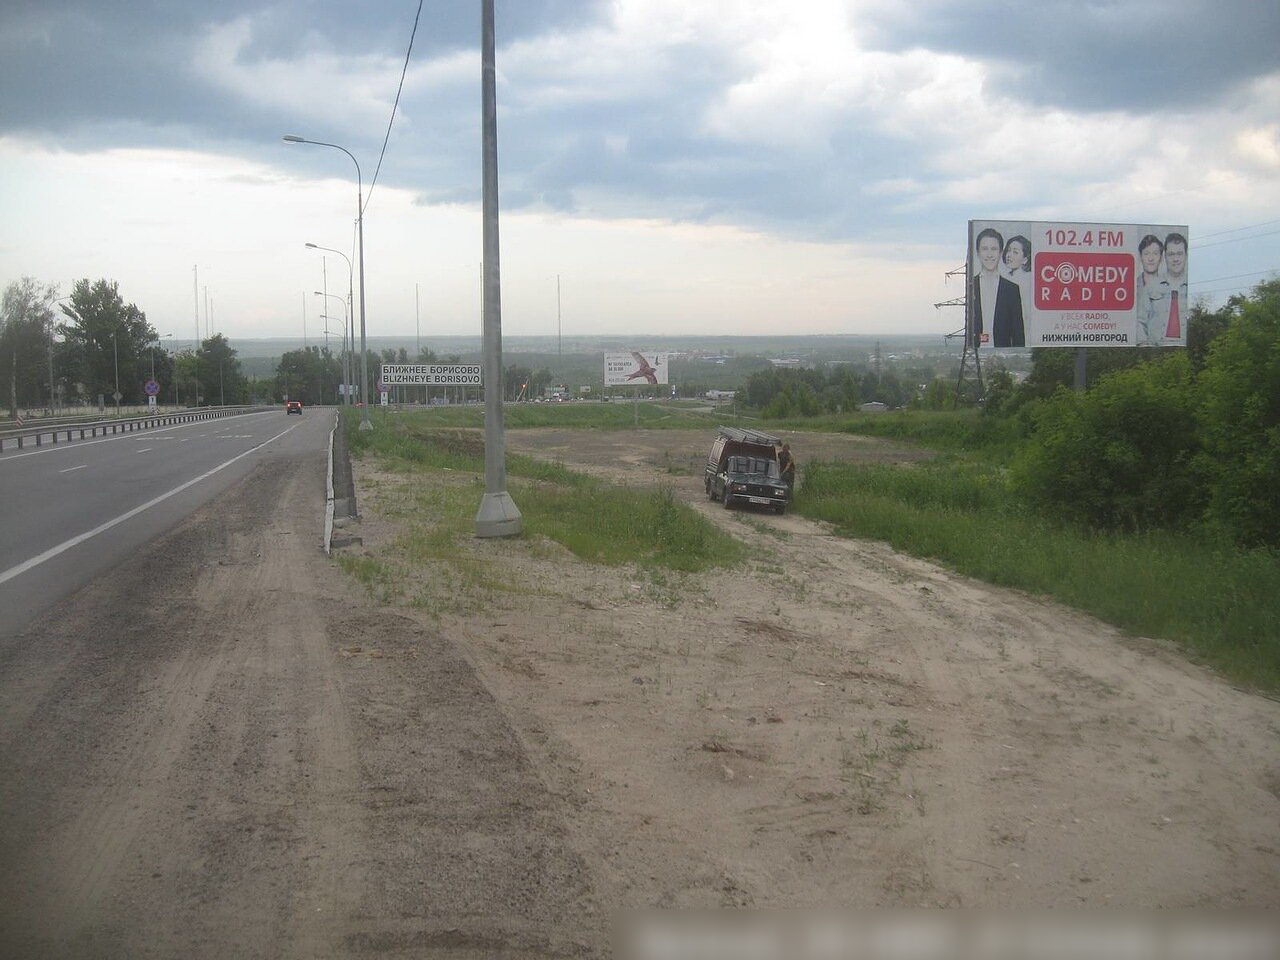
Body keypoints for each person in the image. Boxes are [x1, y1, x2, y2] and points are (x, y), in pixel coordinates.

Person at [970, 227, 1025, 348]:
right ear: (978, 252)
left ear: (1000, 253)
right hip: (975, 350)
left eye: (994, 249)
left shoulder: (1012, 289)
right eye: (985, 249)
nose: (989, 254)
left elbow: (1018, 333)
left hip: (1003, 351)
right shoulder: (970, 286)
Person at [1134, 234, 1167, 346]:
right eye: (1146, 253)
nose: (1151, 258)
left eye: (1155, 253)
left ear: (1161, 257)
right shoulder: (1131, 287)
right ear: (1141, 256)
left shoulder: (1170, 287)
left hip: (1161, 347)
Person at [1001, 234, 1033, 322]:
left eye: (1015, 252)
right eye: (1008, 250)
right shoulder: (1004, 277)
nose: (1009, 255)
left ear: (1025, 259)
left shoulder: (1028, 280)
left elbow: (1026, 315)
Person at [1163, 233, 1188, 341]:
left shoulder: (1190, 287)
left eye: (1179, 254)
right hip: (1156, 346)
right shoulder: (1151, 287)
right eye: (1171, 254)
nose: (1176, 259)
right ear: (1165, 256)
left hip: (1184, 345)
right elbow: (1140, 321)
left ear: (1186, 255)